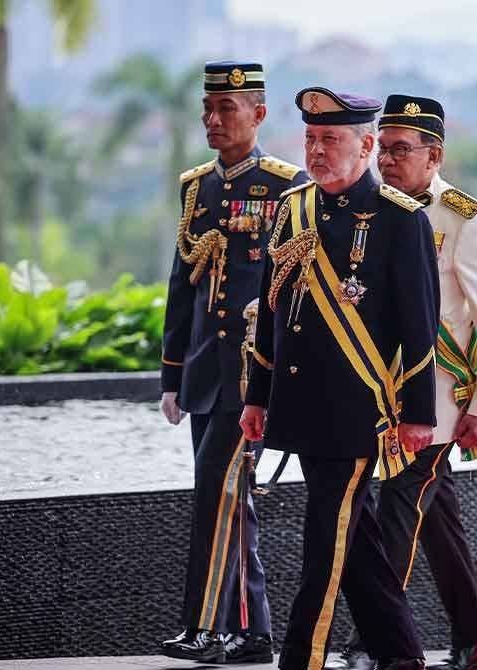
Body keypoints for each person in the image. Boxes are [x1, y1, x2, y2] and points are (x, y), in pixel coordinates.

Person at [240, 86, 439, 670]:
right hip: (299, 404)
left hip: (358, 409)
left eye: (331, 139)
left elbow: (418, 326)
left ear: (367, 145)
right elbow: (271, 310)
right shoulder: (294, 208)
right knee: (357, 542)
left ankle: (302, 658)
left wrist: (419, 413)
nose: (318, 150)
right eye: (311, 139)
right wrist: (258, 397)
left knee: (325, 542)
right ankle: (402, 655)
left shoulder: (401, 221)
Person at [330, 94, 477, 670]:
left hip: (435, 396)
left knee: (395, 515)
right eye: (383, 149)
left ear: (434, 155)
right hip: (381, 391)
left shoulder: (464, 217)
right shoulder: (373, 208)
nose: (387, 161)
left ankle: (375, 644)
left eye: (402, 151)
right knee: (437, 522)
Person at [158, 60, 305, 664]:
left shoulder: (286, 186)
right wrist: (170, 376)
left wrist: (280, 382)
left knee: (214, 496)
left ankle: (205, 628)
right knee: (231, 502)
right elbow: (181, 285)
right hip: (202, 373)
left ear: (259, 114)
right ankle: (255, 633)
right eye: (209, 109)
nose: (213, 120)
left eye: (227, 110)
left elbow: (292, 293)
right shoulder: (197, 186)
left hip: (250, 376)